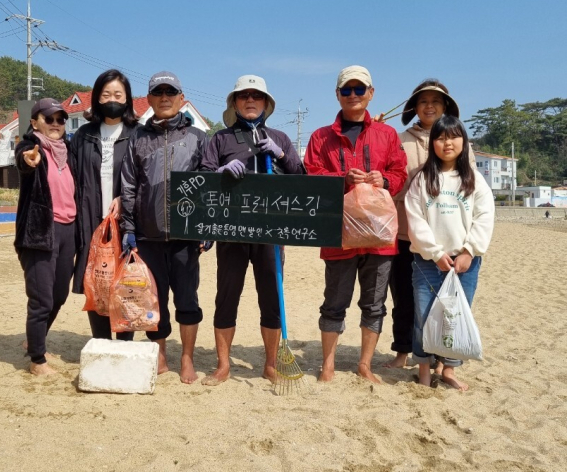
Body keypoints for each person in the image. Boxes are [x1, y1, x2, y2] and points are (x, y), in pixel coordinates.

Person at [304, 65, 407, 383]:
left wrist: (385, 179)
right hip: (338, 235)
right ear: (337, 95)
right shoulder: (321, 136)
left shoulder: (387, 134)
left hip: (380, 236)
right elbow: (311, 175)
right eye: (346, 90)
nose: (352, 95)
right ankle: (328, 364)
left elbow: (400, 173)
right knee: (334, 303)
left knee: (374, 304)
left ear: (370, 93)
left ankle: (365, 364)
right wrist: (340, 178)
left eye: (359, 89)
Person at [200, 75, 304, 386]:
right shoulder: (220, 140)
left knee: (271, 298)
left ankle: (271, 364)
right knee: (226, 296)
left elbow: (301, 177)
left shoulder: (281, 138)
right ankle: (222, 366)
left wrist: (282, 156)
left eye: (256, 96)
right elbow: (203, 177)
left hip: (271, 234)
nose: (250, 101)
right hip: (231, 232)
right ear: (234, 103)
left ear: (265, 103)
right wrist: (220, 171)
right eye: (243, 96)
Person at [119, 71, 210, 384]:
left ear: (181, 98)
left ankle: (187, 358)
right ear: (150, 99)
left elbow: (209, 187)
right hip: (148, 236)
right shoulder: (137, 140)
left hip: (186, 239)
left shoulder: (199, 138)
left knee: (187, 300)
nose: (165, 97)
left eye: (171, 92)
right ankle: (159, 353)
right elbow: (129, 187)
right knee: (153, 301)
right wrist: (128, 229)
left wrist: (206, 229)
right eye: (158, 92)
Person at [384, 79, 475, 369]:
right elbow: (390, 178)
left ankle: (439, 357)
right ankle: (402, 352)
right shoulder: (399, 139)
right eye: (423, 101)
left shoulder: (461, 143)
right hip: (402, 232)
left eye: (436, 101)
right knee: (404, 298)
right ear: (415, 107)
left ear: (446, 106)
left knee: (445, 301)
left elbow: (470, 189)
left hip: (448, 239)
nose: (430, 106)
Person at [405, 115, 494, 390]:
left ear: (464, 142)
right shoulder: (423, 178)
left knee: (455, 316)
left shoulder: (473, 179)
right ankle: (423, 368)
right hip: (427, 262)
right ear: (432, 143)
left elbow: (485, 216)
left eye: (454, 137)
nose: (447, 143)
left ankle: (448, 369)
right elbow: (415, 218)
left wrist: (469, 251)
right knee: (424, 315)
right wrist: (434, 253)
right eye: (441, 138)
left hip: (465, 262)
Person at [71, 69, 139, 341]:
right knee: (97, 281)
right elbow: (71, 175)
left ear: (127, 99)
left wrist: (127, 199)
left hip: (127, 224)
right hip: (90, 221)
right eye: (106, 94)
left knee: (127, 284)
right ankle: (100, 341)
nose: (112, 99)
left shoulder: (139, 134)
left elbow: (146, 179)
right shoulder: (83, 135)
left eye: (118, 94)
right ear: (97, 98)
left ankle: (124, 344)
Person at [15, 98, 77, 376]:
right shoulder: (31, 147)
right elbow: (23, 160)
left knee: (59, 294)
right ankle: (37, 360)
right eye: (49, 118)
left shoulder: (68, 152)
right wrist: (28, 161)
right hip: (40, 230)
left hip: (68, 230)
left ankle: (34, 339)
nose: (55, 124)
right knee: (41, 298)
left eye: (60, 119)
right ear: (34, 121)